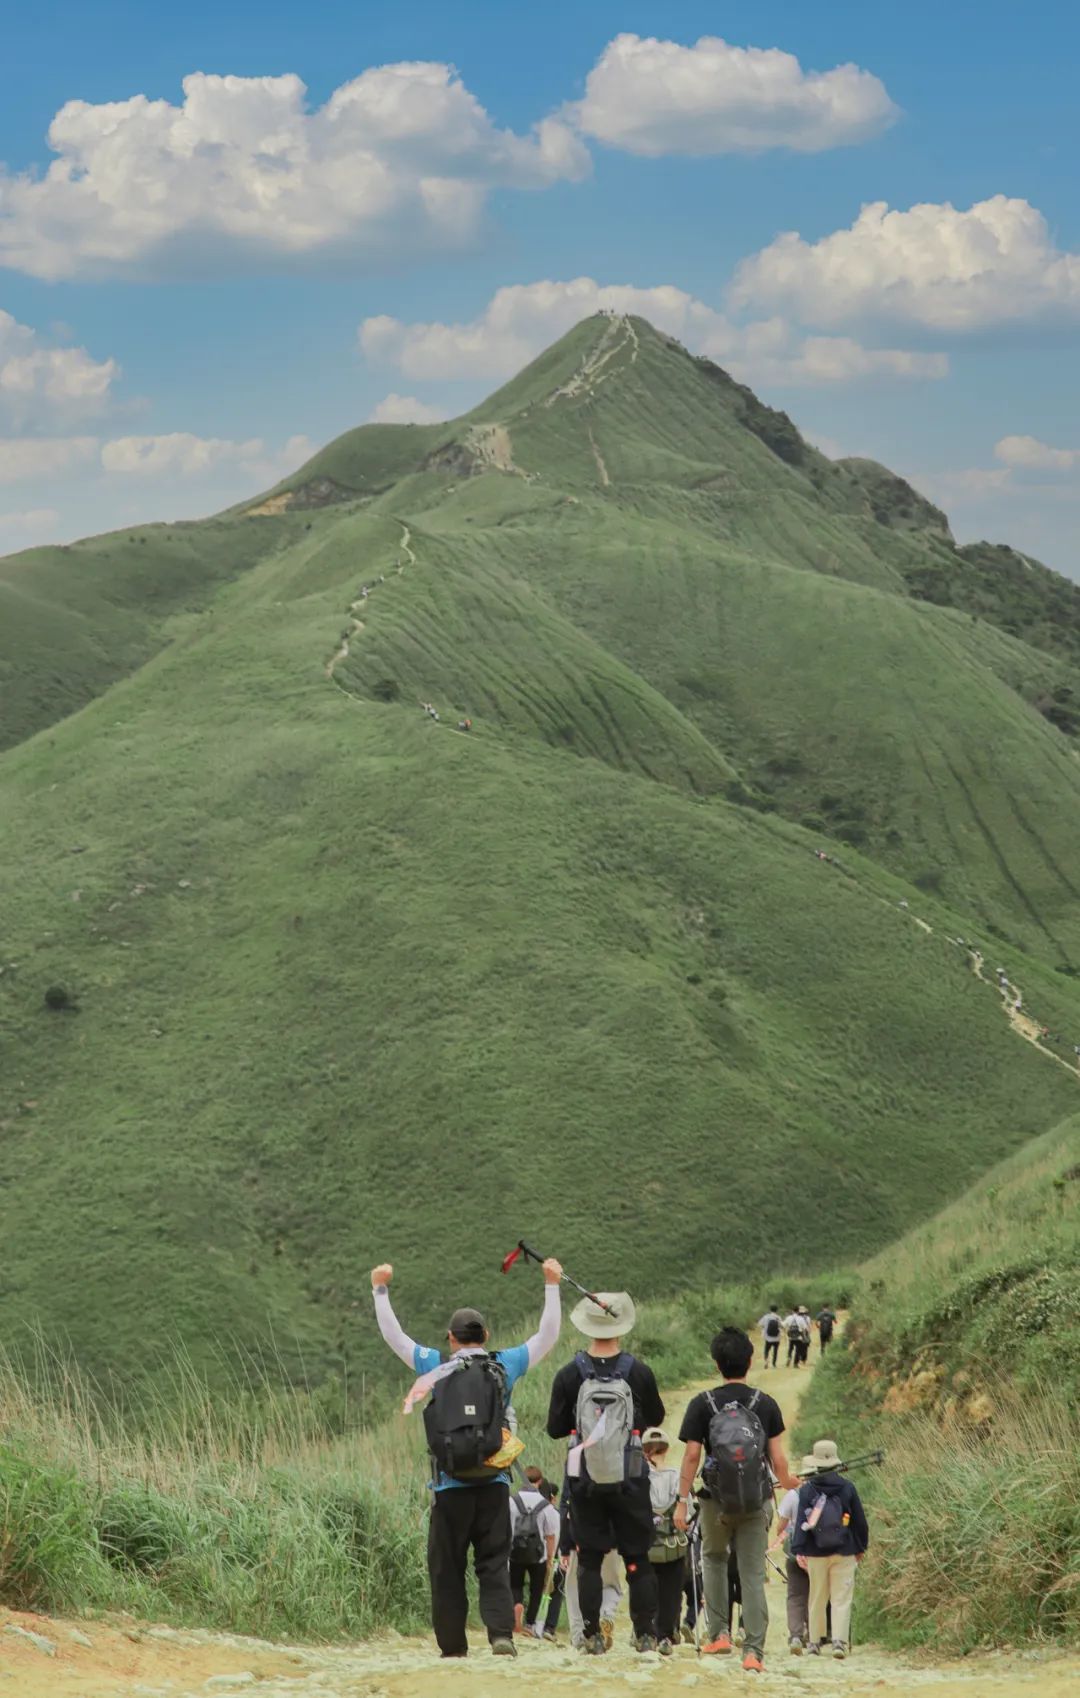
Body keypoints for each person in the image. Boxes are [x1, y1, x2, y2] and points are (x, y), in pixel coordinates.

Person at [371, 1258, 562, 1659]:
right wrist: (551, 1285)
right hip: (493, 1485)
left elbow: (395, 1337)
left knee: (447, 1568)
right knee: (493, 1562)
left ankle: (453, 1647)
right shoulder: (504, 1365)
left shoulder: (434, 1363)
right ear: (486, 1335)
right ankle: (500, 1636)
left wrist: (380, 1289)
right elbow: (547, 1335)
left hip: (449, 1485)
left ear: (451, 1337)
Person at [674, 1325, 801, 1675]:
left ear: (717, 1364)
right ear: (750, 1360)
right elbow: (778, 1462)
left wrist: (682, 1501)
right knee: (752, 1571)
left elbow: (691, 1457)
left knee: (713, 1559)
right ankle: (754, 1652)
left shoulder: (703, 1404)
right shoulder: (766, 1404)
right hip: (756, 1499)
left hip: (715, 1501)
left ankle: (719, 1634)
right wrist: (789, 1482)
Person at [546, 1291, 663, 1655]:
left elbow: (554, 1428)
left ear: (587, 1326)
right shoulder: (638, 1371)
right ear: (620, 1327)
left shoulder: (569, 1373)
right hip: (631, 1475)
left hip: (585, 1478)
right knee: (637, 1557)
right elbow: (656, 1417)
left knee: (591, 1558)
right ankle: (645, 1634)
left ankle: (592, 1636)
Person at [790, 1439, 869, 1659]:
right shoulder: (848, 1488)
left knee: (817, 1596)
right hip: (844, 1552)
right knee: (841, 1598)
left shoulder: (807, 1490)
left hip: (815, 1553)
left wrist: (799, 1549)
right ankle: (839, 1642)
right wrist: (861, 1546)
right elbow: (859, 1522)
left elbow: (801, 1525)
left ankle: (814, 1642)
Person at [642, 1428, 686, 1656]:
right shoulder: (677, 1476)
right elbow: (686, 1514)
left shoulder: (638, 1477)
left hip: (645, 1543)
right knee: (671, 1591)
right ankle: (666, 1635)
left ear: (643, 1451)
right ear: (667, 1449)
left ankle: (644, 1632)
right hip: (672, 1544)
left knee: (645, 1587)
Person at [770, 1457, 814, 1653]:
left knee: (796, 1594)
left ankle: (796, 1636)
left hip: (796, 1552)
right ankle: (815, 1635)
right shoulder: (827, 1494)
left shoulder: (793, 1495)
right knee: (817, 1593)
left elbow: (781, 1526)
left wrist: (783, 1534)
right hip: (821, 1553)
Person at [510, 1465, 560, 1637]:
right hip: (539, 1554)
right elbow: (550, 1535)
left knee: (515, 1584)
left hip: (515, 1551)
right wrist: (550, 1559)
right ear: (540, 1482)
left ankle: (516, 1605)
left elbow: (506, 1527)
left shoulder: (513, 1500)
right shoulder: (545, 1505)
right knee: (536, 1589)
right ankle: (530, 1624)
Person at [757, 1305, 782, 1369]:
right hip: (777, 1337)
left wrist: (764, 1328)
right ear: (777, 1310)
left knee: (766, 1350)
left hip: (768, 1337)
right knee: (775, 1351)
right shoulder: (778, 1317)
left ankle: (766, 1360)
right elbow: (781, 1325)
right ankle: (774, 1364)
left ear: (770, 1310)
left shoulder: (766, 1317)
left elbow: (759, 1324)